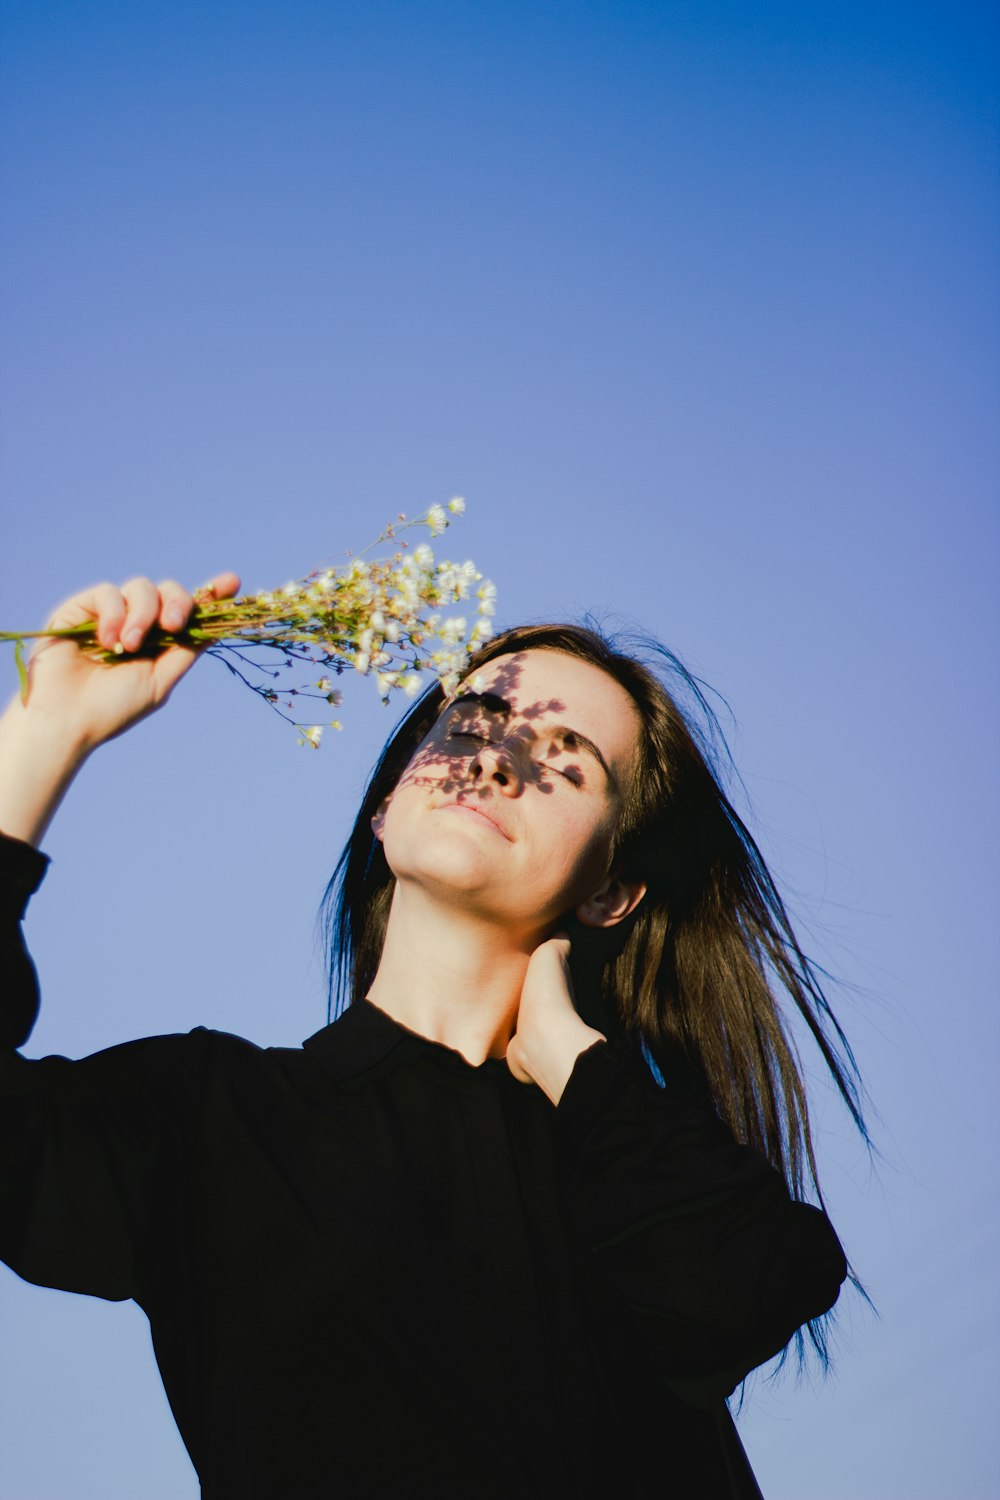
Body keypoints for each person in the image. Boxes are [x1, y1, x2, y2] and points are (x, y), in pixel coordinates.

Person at [0, 573, 864, 1498]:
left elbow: (746, 1286)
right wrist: (49, 730)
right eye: (471, 723)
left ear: (611, 887)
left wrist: (575, 1061)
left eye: (566, 761)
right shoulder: (210, 1121)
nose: (498, 760)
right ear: (386, 807)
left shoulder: (628, 1159)